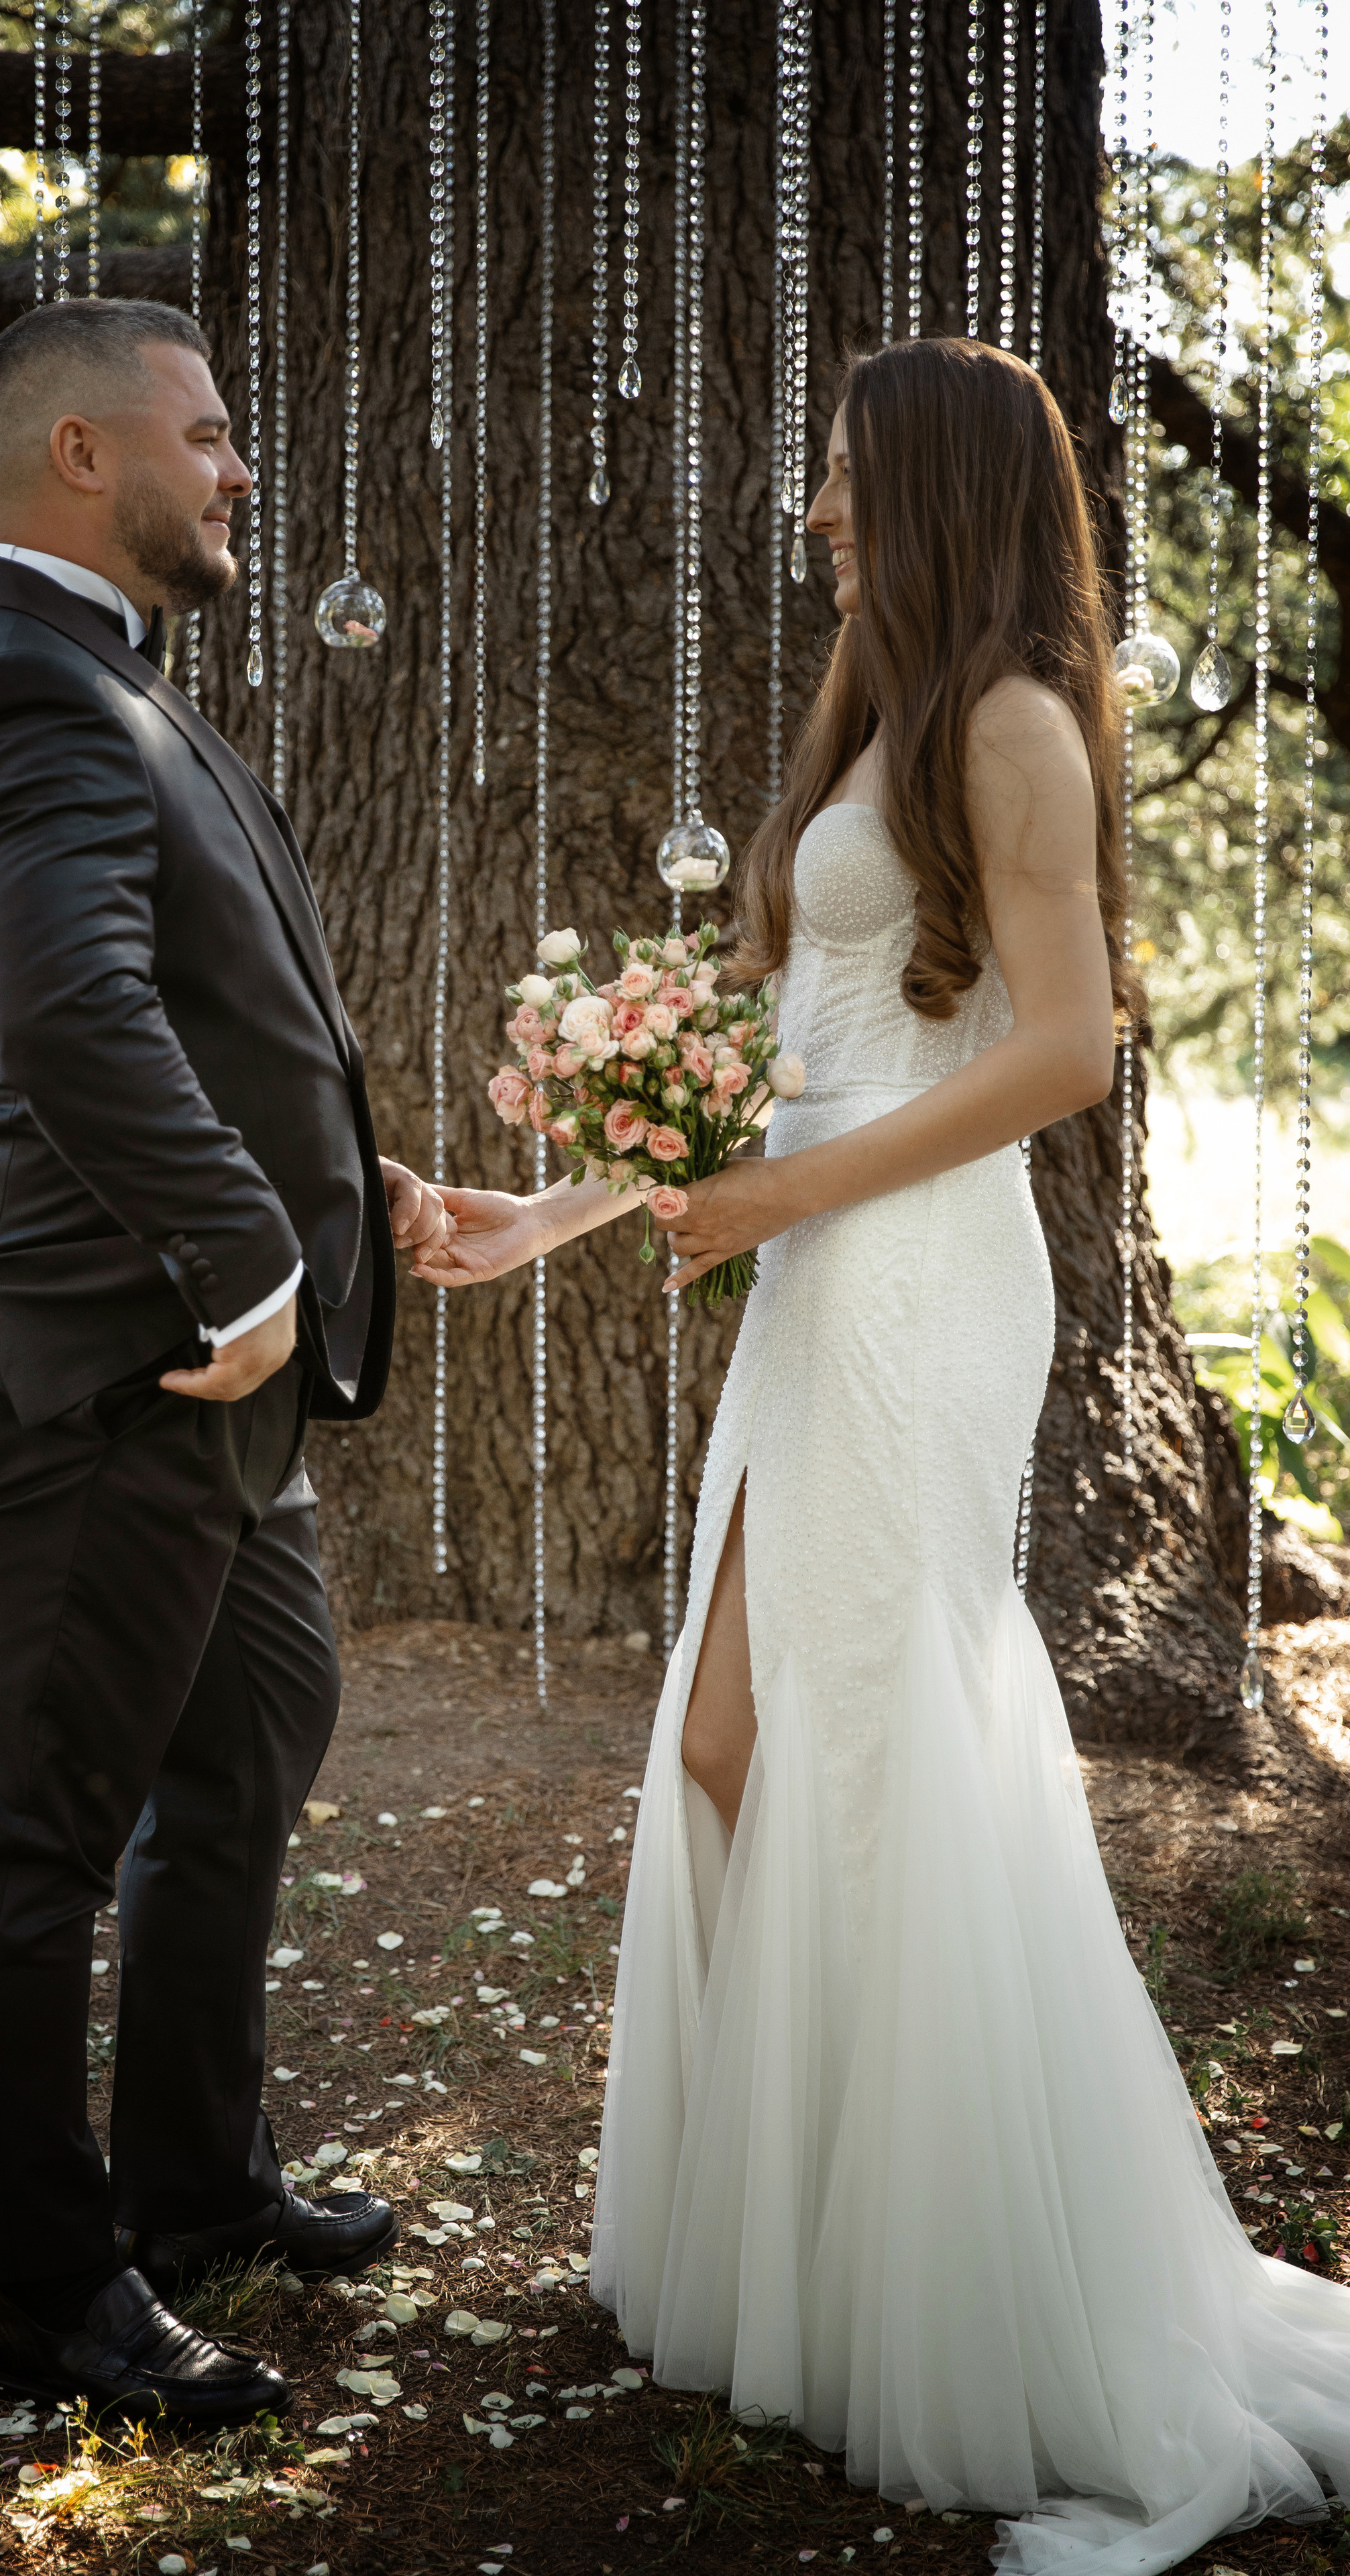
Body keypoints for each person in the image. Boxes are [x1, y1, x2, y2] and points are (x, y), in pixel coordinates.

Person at [415, 337, 1350, 2572]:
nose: (817, 513)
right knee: (735, 1740)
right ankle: (819, 2243)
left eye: (844, 480)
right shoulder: (878, 714)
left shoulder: (1015, 724)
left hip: (918, 1270)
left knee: (855, 1737)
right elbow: (791, 1036)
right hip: (821, 1259)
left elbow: (1064, 1052)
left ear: (929, 492)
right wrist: (549, 1213)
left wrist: (790, 1198)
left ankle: (967, 2284)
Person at [0, 297, 452, 2426]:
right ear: (82, 456)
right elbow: (67, 1017)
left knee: (244, 1749)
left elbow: (196, 1010)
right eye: (203, 434)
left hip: (208, 1373)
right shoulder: (27, 691)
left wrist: (339, 1181)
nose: (237, 469)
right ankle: (43, 2290)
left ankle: (195, 2185)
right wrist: (243, 1262)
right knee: (34, 1834)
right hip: (101, 1365)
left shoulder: (105, 679)